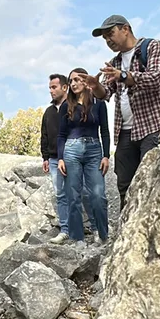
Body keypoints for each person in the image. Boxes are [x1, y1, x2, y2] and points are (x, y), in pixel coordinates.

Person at [75, 15, 160, 211]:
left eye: (110, 34)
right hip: (125, 132)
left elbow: (155, 78)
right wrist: (95, 87)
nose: (108, 41)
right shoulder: (114, 63)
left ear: (125, 29)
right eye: (105, 38)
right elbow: (106, 93)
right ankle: (126, 233)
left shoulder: (153, 47)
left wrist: (125, 76)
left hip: (153, 127)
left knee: (152, 180)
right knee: (124, 185)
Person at [40, 74, 97, 245]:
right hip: (54, 160)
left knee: (85, 192)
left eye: (54, 87)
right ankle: (65, 230)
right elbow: (44, 135)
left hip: (74, 156)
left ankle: (96, 228)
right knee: (61, 195)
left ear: (65, 87)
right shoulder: (48, 112)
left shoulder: (74, 107)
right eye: (49, 87)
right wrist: (45, 157)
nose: (51, 91)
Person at [56, 68, 110, 245]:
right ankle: (77, 238)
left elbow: (105, 131)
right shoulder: (66, 106)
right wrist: (61, 157)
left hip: (94, 149)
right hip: (71, 150)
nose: (73, 84)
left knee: (98, 194)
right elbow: (61, 134)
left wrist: (106, 155)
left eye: (77, 80)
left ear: (86, 81)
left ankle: (102, 234)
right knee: (73, 194)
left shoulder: (99, 103)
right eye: (71, 81)